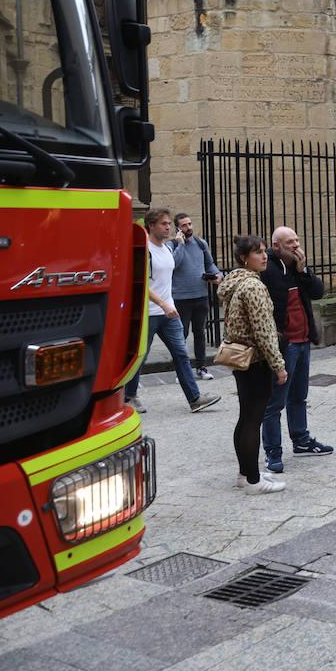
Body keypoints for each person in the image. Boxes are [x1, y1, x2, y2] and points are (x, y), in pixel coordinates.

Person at [123, 208, 221, 415]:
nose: (168, 227)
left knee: (181, 354)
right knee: (140, 357)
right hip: (149, 313)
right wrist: (164, 304)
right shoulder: (145, 250)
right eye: (163, 224)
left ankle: (195, 399)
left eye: (169, 224)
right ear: (151, 226)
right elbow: (142, 285)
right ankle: (129, 396)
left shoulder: (167, 249)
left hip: (168, 313)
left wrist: (169, 305)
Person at [258, 226, 334, 474]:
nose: (296, 246)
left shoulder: (297, 268)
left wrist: (304, 271)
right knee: (274, 403)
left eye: (297, 240)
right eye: (290, 242)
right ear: (276, 246)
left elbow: (318, 292)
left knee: (299, 396)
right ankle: (273, 452)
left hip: (302, 342)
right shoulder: (267, 269)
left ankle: (301, 440)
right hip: (283, 345)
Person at [218, 236, 288, 495]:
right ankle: (253, 481)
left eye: (263, 251)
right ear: (244, 258)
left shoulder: (236, 282)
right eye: (257, 253)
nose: (264, 256)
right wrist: (278, 365)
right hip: (255, 359)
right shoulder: (254, 287)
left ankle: (245, 473)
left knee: (246, 416)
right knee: (252, 418)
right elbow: (264, 330)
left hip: (240, 358)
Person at [169, 213, 223, 381]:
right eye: (184, 225)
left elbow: (210, 263)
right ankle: (182, 371)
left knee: (200, 333)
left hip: (200, 296)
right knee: (181, 335)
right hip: (181, 298)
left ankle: (201, 367)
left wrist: (217, 274)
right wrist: (181, 244)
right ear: (178, 228)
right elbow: (173, 264)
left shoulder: (201, 243)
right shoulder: (172, 245)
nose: (189, 227)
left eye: (190, 224)